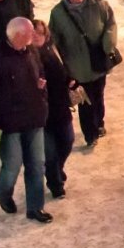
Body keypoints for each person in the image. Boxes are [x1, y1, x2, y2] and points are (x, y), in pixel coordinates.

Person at [0, 17, 52, 223]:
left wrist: (41, 87)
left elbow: (39, 70)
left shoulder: (31, 50)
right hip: (7, 123)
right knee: (13, 165)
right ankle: (3, 192)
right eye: (29, 34)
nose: (33, 38)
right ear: (17, 36)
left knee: (36, 164)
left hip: (34, 117)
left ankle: (35, 207)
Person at [49, 0, 116, 148]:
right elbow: (54, 38)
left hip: (98, 61)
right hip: (76, 65)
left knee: (98, 95)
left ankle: (99, 123)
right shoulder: (58, 13)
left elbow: (110, 23)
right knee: (85, 100)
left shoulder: (98, 4)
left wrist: (109, 43)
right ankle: (90, 133)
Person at [33, 19, 72, 200]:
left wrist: (71, 79)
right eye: (32, 34)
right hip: (42, 115)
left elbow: (65, 70)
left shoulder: (53, 50)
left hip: (61, 108)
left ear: (45, 34)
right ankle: (55, 184)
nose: (36, 37)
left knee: (67, 141)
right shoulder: (27, 57)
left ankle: (57, 170)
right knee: (50, 153)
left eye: (39, 33)